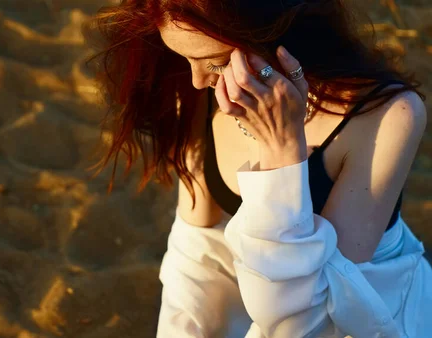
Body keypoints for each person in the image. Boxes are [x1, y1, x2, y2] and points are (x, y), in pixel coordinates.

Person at [83, 0, 432, 336]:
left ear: (279, 38)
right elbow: (199, 251)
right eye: (186, 57)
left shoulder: (388, 115)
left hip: (369, 311)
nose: (196, 81)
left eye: (216, 63)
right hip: (262, 294)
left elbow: (310, 318)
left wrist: (281, 152)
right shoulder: (205, 91)